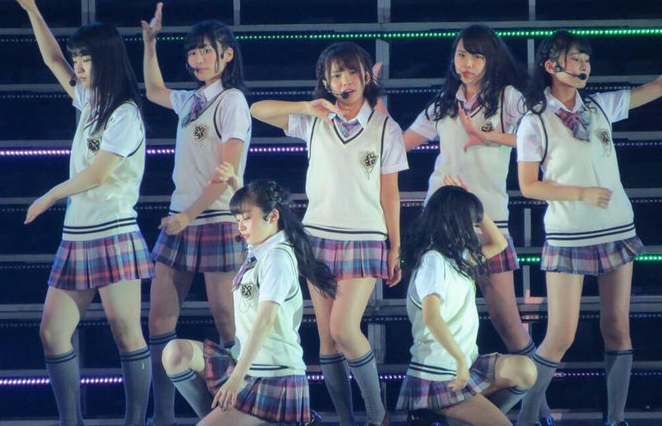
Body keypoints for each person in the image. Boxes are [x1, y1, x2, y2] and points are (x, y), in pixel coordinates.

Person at [14, 0, 153, 426]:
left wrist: (50, 195)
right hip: (77, 236)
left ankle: (136, 421)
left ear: (106, 60)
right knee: (52, 333)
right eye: (78, 58)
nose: (77, 66)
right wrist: (33, 9)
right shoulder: (88, 100)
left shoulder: (125, 114)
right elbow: (53, 60)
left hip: (113, 231)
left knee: (125, 332)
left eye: (86, 59)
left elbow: (98, 174)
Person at [250, 42, 408, 426]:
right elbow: (256, 110)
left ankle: (378, 418)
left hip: (366, 238)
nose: (344, 81)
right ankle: (347, 421)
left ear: (366, 76)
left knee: (344, 329)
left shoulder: (385, 128)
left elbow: (390, 192)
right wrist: (307, 107)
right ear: (325, 81)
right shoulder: (315, 120)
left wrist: (395, 246)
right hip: (318, 237)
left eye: (351, 72)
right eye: (336, 75)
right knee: (326, 339)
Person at [515, 30, 662, 426]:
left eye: (586, 60)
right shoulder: (534, 120)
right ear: (552, 66)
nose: (584, 66)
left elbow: (654, 88)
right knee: (560, 335)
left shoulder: (599, 106)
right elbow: (528, 186)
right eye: (576, 59)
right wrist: (580, 193)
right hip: (569, 235)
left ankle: (615, 419)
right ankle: (526, 419)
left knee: (617, 327)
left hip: (616, 229)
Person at [141, 3, 252, 426]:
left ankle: (240, 409)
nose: (197, 59)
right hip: (181, 217)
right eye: (192, 52)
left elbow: (227, 174)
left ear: (227, 55)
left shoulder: (232, 100)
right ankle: (163, 417)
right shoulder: (190, 100)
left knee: (229, 322)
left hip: (216, 219)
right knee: (158, 320)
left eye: (206, 50)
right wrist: (150, 43)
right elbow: (154, 90)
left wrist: (188, 215)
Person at [161, 177, 337, 425]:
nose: (241, 226)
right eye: (237, 220)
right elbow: (258, 211)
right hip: (244, 366)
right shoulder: (261, 249)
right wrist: (238, 188)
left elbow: (265, 321)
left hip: (273, 378)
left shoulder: (277, 258)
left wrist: (235, 379)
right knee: (175, 353)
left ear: (273, 216)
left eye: (246, 218)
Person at [398, 181, 537, 426]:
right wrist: (460, 361)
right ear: (457, 223)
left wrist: (476, 206)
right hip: (441, 375)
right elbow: (432, 317)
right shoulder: (433, 261)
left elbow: (499, 244)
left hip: (464, 366)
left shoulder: (457, 258)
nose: (475, 229)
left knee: (525, 370)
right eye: (471, 223)